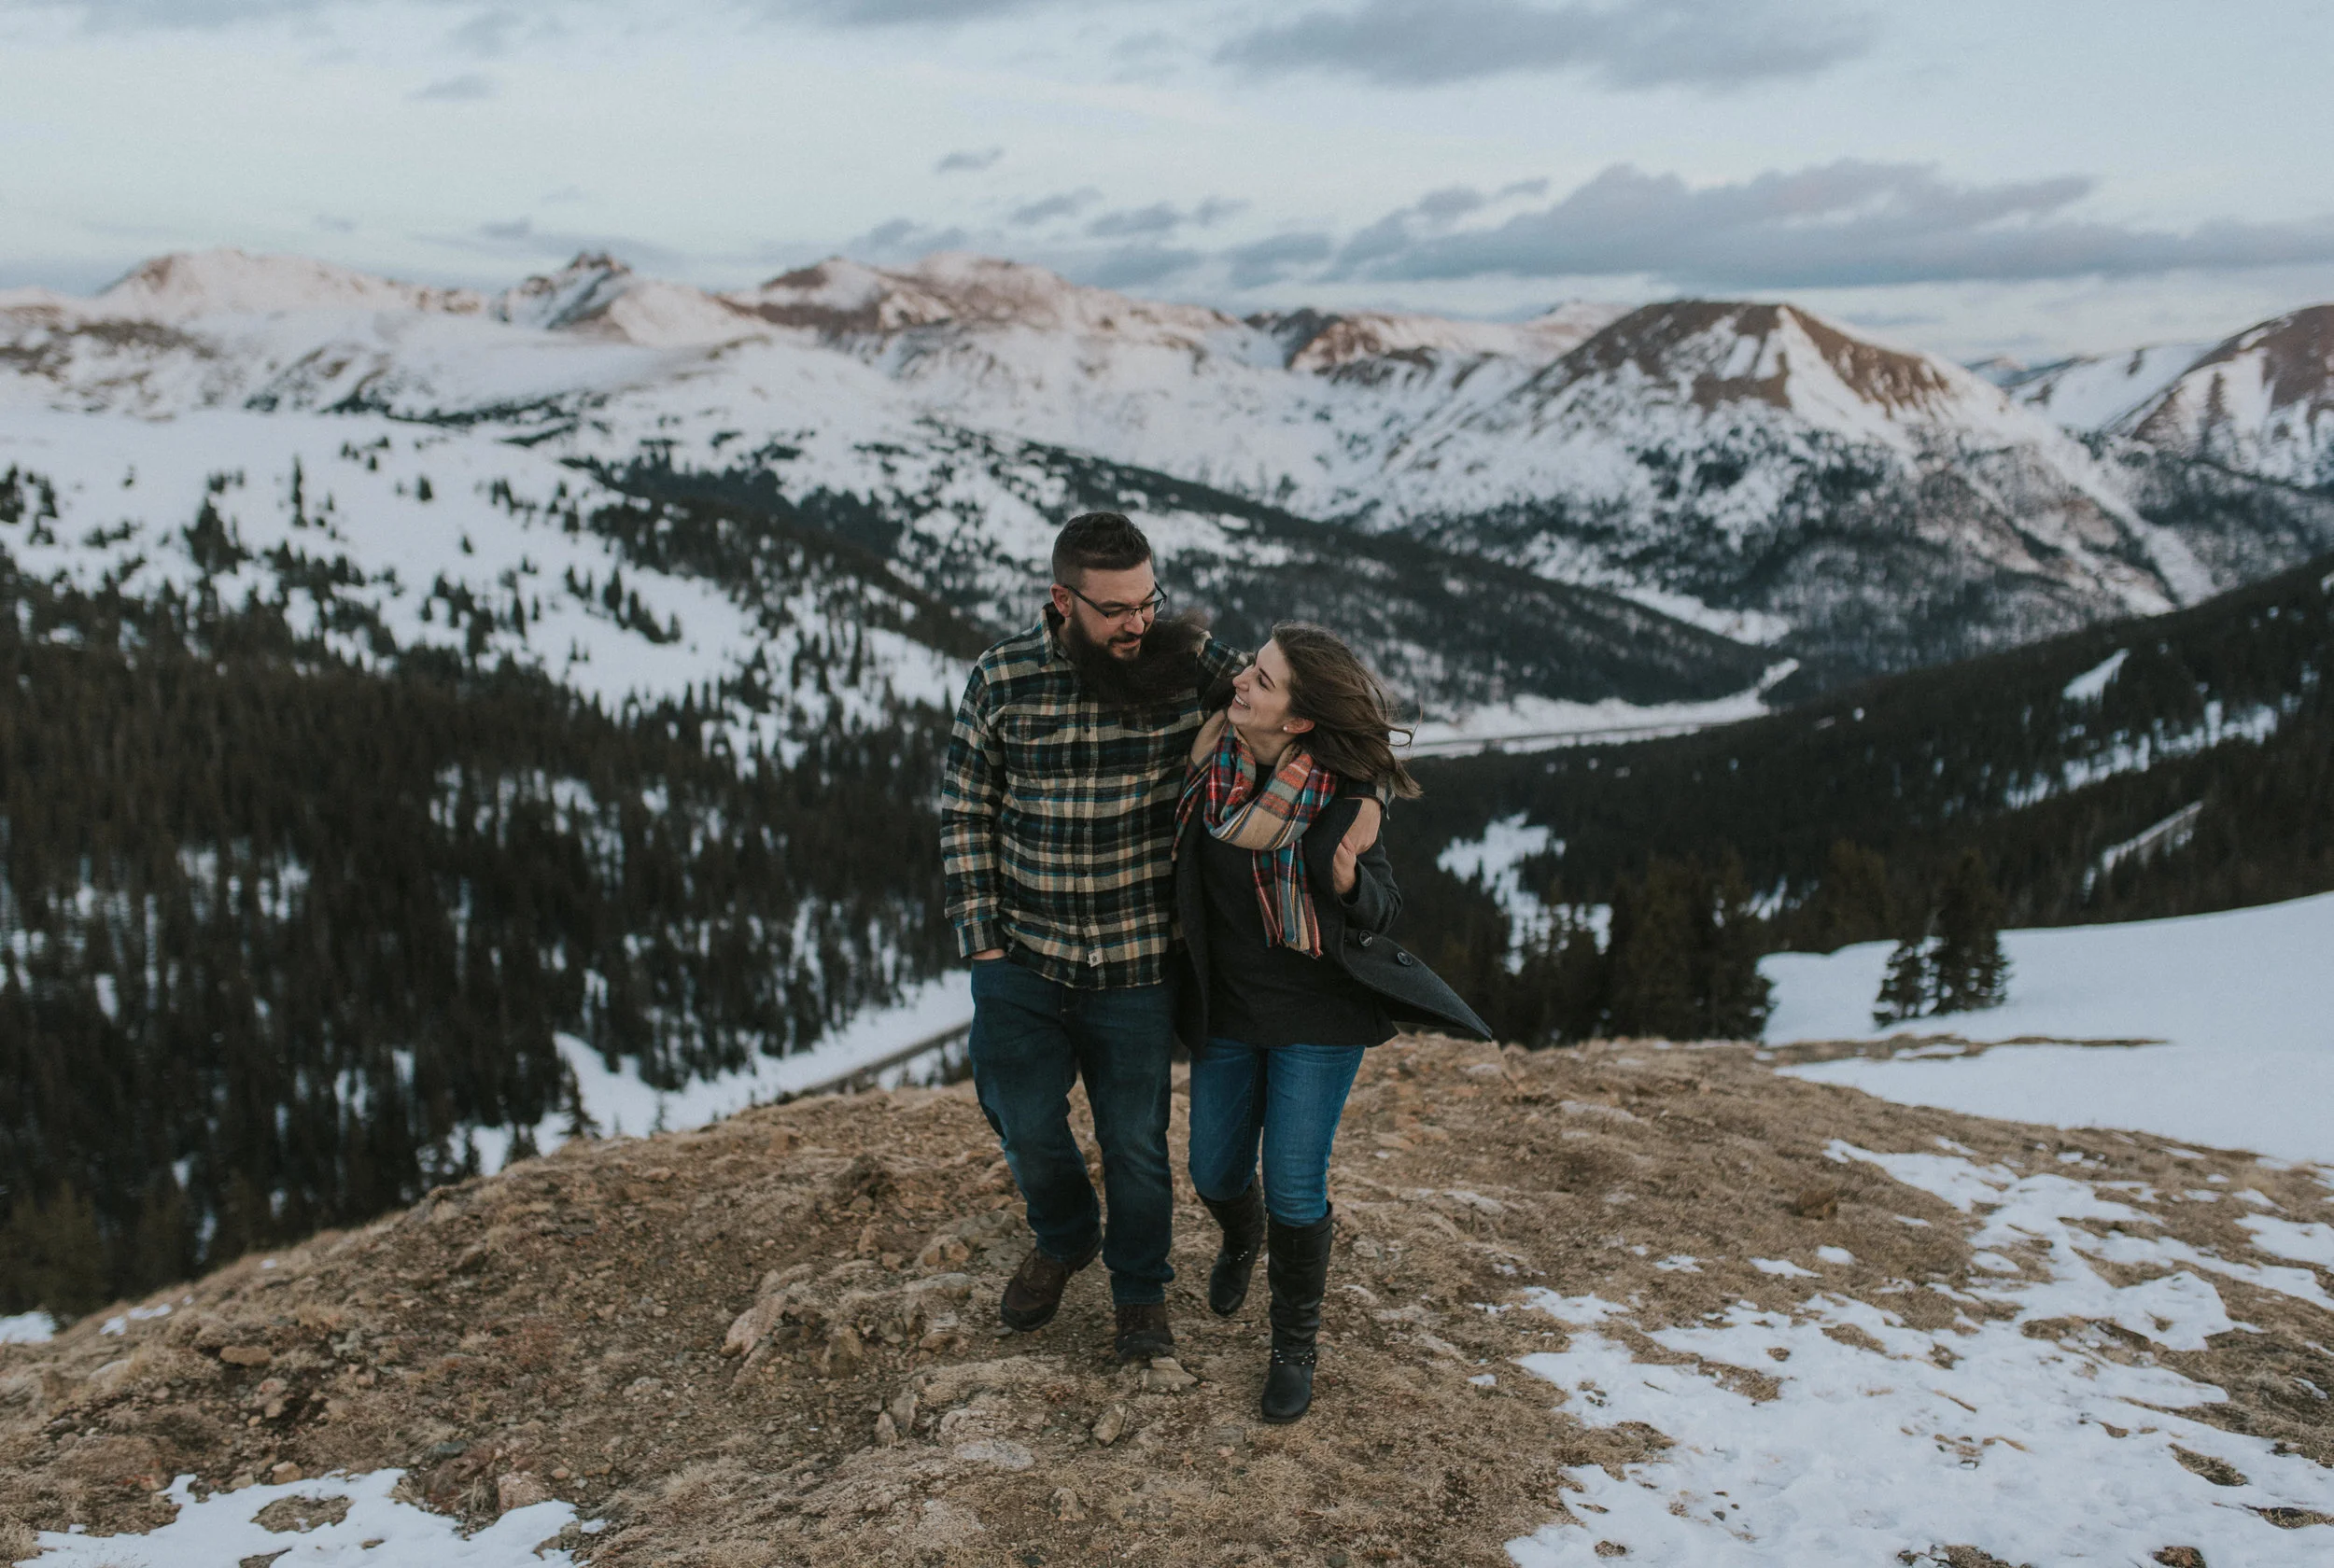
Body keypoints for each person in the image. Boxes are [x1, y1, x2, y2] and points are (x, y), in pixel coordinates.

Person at [940, 512, 1245, 1364]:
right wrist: (983, 943)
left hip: (1137, 963)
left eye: (1149, 601)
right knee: (1022, 1119)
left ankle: (1140, 1292)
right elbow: (966, 808)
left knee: (1135, 1144)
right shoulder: (1002, 676)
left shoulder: (1187, 662)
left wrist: (1364, 792)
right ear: (1061, 600)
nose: (1138, 623)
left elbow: (1294, 699)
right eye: (1115, 610)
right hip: (1022, 957)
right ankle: (1066, 1232)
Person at [1174, 622, 1491, 1422]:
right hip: (1230, 1010)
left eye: (1264, 680)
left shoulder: (1342, 794)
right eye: (1251, 667)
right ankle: (1239, 1236)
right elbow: (1180, 647)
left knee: (1293, 1182)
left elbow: (1384, 907)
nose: (1242, 681)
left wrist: (1349, 879)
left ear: (1300, 719)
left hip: (1319, 1014)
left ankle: (1293, 1344)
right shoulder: (1211, 757)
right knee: (1212, 1172)